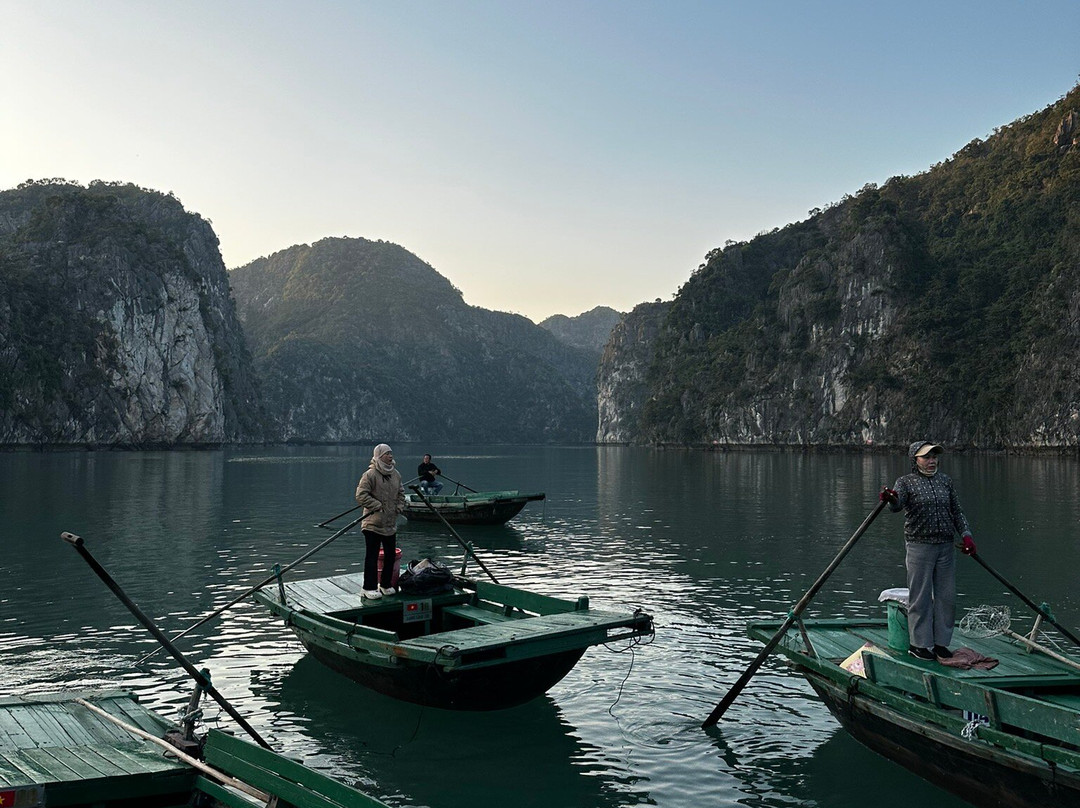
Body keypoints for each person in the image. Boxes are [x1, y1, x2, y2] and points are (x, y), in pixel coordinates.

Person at [880, 441, 977, 662]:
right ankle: (920, 645)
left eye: (934, 457)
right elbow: (897, 505)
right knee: (920, 597)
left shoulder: (945, 482)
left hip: (945, 546)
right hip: (919, 546)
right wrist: (890, 499)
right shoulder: (905, 482)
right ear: (915, 459)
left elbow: (956, 511)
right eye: (926, 457)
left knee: (946, 596)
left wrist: (967, 536)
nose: (932, 461)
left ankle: (941, 643)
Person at [354, 443, 406, 599]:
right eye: (387, 454)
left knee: (390, 555)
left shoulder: (395, 474)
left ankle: (385, 584)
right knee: (372, 556)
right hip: (372, 523)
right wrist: (377, 505)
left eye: (391, 453)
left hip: (390, 523)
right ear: (379, 456)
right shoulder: (370, 474)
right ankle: (368, 588)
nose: (390, 456)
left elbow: (401, 493)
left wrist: (399, 506)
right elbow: (361, 495)